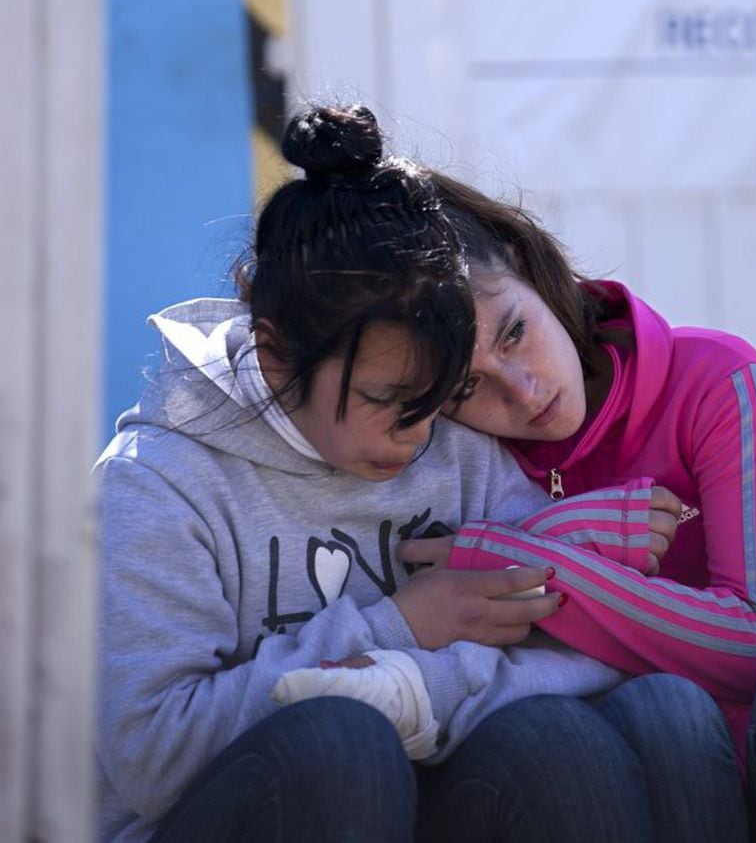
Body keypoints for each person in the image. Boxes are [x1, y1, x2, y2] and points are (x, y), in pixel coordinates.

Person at [95, 104, 685, 843]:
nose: (420, 433)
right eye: (388, 400)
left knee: (559, 741)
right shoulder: (158, 484)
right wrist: (402, 625)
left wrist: (420, 689)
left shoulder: (456, 449)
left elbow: (580, 645)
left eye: (441, 397)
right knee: (342, 745)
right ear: (276, 355)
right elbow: (154, 757)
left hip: (416, 805)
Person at [371, 170, 756, 843]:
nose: (520, 390)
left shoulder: (715, 378)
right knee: (665, 708)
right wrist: (579, 533)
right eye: (466, 387)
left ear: (526, 265)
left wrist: (523, 559)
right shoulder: (462, 457)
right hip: (620, 782)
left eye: (514, 333)